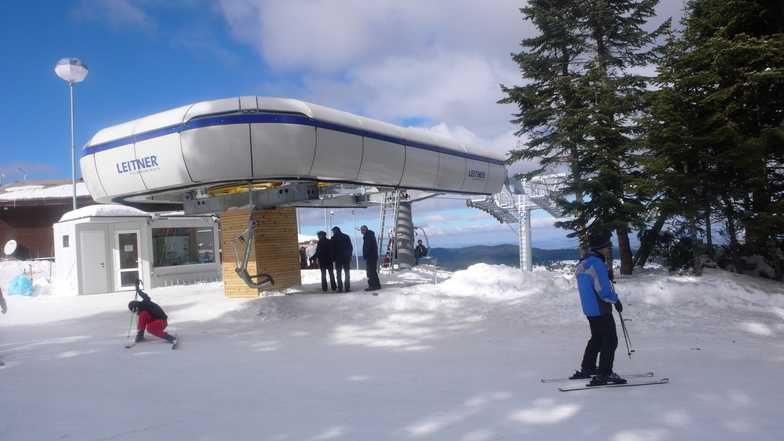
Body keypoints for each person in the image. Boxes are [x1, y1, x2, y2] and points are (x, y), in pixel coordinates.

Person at [572, 234, 626, 385]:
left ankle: (588, 368)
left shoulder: (583, 263)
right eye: (607, 246)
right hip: (600, 308)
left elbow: (587, 283)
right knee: (610, 340)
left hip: (589, 308)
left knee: (597, 337)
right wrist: (616, 300)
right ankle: (605, 373)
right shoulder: (598, 264)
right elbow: (602, 291)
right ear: (600, 248)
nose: (609, 249)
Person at [331, 226, 353, 292]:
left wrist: (332, 258)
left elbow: (332, 249)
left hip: (338, 258)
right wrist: (349, 255)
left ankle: (340, 288)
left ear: (335, 231)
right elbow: (350, 247)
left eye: (333, 231)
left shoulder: (333, 238)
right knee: (347, 272)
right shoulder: (346, 236)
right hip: (346, 257)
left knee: (338, 273)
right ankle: (347, 287)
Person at [360, 225, 381, 291]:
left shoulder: (368, 237)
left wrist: (365, 254)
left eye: (362, 230)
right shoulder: (371, 236)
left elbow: (367, 247)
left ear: (364, 230)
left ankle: (372, 285)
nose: (361, 232)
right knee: (373, 271)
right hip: (373, 256)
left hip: (370, 256)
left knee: (370, 272)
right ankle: (377, 285)